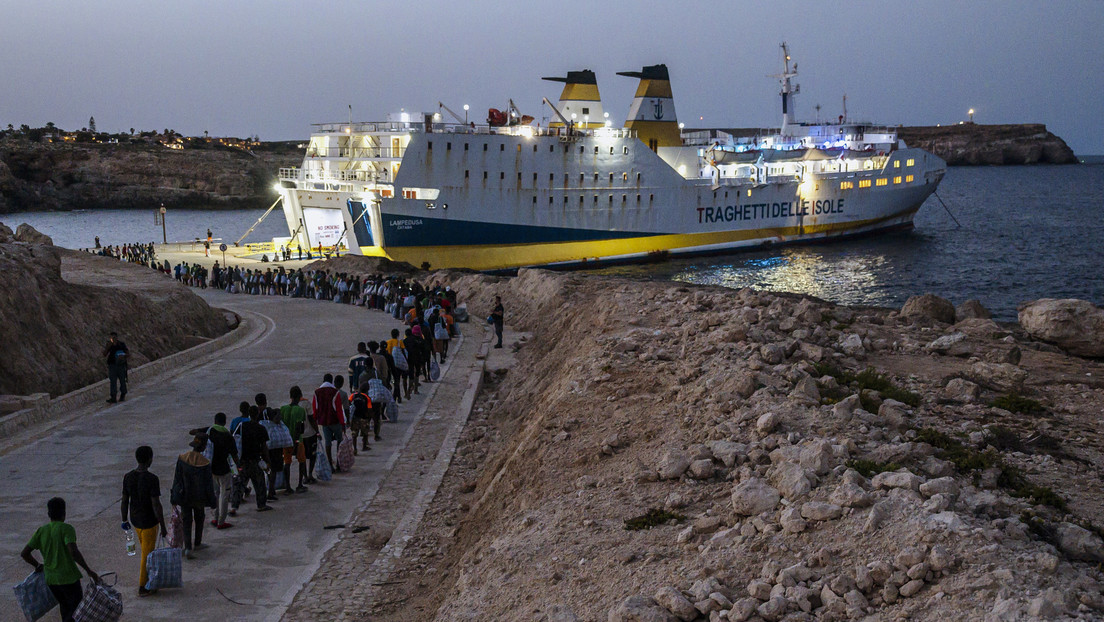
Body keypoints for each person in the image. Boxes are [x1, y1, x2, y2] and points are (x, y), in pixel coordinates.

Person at [21, 498, 100, 622]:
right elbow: (73, 552)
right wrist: (89, 570)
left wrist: (37, 565)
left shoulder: (42, 531)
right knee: (76, 613)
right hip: (69, 578)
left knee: (65, 608)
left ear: (48, 514)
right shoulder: (66, 529)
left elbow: (24, 553)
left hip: (51, 580)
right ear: (64, 513)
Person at [121, 446, 167, 596]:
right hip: (149, 522)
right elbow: (156, 504)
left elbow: (125, 500)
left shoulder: (128, 477)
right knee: (147, 555)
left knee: (146, 551)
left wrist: (124, 519)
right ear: (149, 459)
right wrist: (163, 525)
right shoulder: (152, 479)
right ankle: (143, 586)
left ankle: (148, 581)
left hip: (135, 520)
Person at [170, 434, 217, 559]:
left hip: (184, 495)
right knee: (199, 518)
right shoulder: (205, 463)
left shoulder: (183, 458)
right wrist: (213, 501)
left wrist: (174, 496)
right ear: (204, 446)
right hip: (199, 497)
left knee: (186, 520)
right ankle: (198, 542)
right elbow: (208, 485)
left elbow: (177, 479)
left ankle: (188, 548)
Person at [191, 413, 238, 529]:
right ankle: (221, 522)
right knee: (224, 495)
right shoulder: (228, 436)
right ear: (225, 422)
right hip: (224, 468)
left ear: (215, 421)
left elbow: (192, 432)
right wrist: (239, 467)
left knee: (215, 494)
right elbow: (234, 455)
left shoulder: (209, 431)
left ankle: (215, 517)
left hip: (210, 468)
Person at [233, 406, 271, 513]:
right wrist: (268, 461)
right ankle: (261, 504)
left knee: (239, 484)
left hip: (243, 460)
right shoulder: (261, 428)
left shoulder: (242, 426)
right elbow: (264, 447)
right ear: (258, 414)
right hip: (255, 460)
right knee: (260, 484)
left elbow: (235, 439)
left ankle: (234, 507)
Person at [279, 386, 311, 492]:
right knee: (302, 461)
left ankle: (287, 486)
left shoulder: (283, 409)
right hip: (297, 440)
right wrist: (296, 442)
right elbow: (299, 428)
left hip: (286, 441)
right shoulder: (300, 410)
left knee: (287, 463)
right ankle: (299, 484)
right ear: (299, 397)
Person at [312, 374, 344, 473]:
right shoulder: (335, 392)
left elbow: (315, 409)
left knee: (328, 442)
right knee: (339, 440)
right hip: (335, 420)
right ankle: (339, 462)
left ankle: (330, 464)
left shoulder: (317, 392)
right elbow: (338, 409)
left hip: (324, 421)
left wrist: (316, 423)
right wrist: (343, 422)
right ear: (331, 381)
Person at [103, 331, 128, 403]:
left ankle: (123, 394)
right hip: (112, 365)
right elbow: (104, 354)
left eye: (113, 337)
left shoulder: (121, 344)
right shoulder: (109, 345)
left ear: (116, 337)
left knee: (122, 380)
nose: (112, 339)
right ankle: (113, 397)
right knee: (113, 381)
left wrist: (122, 356)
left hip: (120, 365)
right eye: (111, 337)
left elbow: (127, 353)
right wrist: (108, 347)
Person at [349, 380, 373, 453]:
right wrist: (369, 417)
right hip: (363, 418)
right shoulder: (367, 397)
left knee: (354, 434)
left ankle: (355, 448)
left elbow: (349, 402)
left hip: (355, 417)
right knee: (365, 433)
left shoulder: (354, 395)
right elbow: (369, 409)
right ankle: (364, 446)